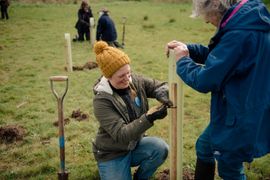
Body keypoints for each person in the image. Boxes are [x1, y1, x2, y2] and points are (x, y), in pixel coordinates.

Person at [166, 0, 270, 179]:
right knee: (204, 147)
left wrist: (183, 61)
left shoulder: (238, 34)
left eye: (207, 16)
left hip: (239, 116)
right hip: (250, 107)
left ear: (215, 5)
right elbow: (224, 61)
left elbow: (206, 80)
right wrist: (189, 49)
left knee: (230, 169)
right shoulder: (250, 22)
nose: (206, 21)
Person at [92, 41, 172, 180]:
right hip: (112, 154)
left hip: (134, 145)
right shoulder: (102, 101)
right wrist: (149, 118)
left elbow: (159, 85)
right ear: (108, 76)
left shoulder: (134, 80)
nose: (127, 79)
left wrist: (161, 93)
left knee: (161, 148)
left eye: (128, 73)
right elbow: (121, 134)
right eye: (121, 76)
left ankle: (140, 177)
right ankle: (110, 169)